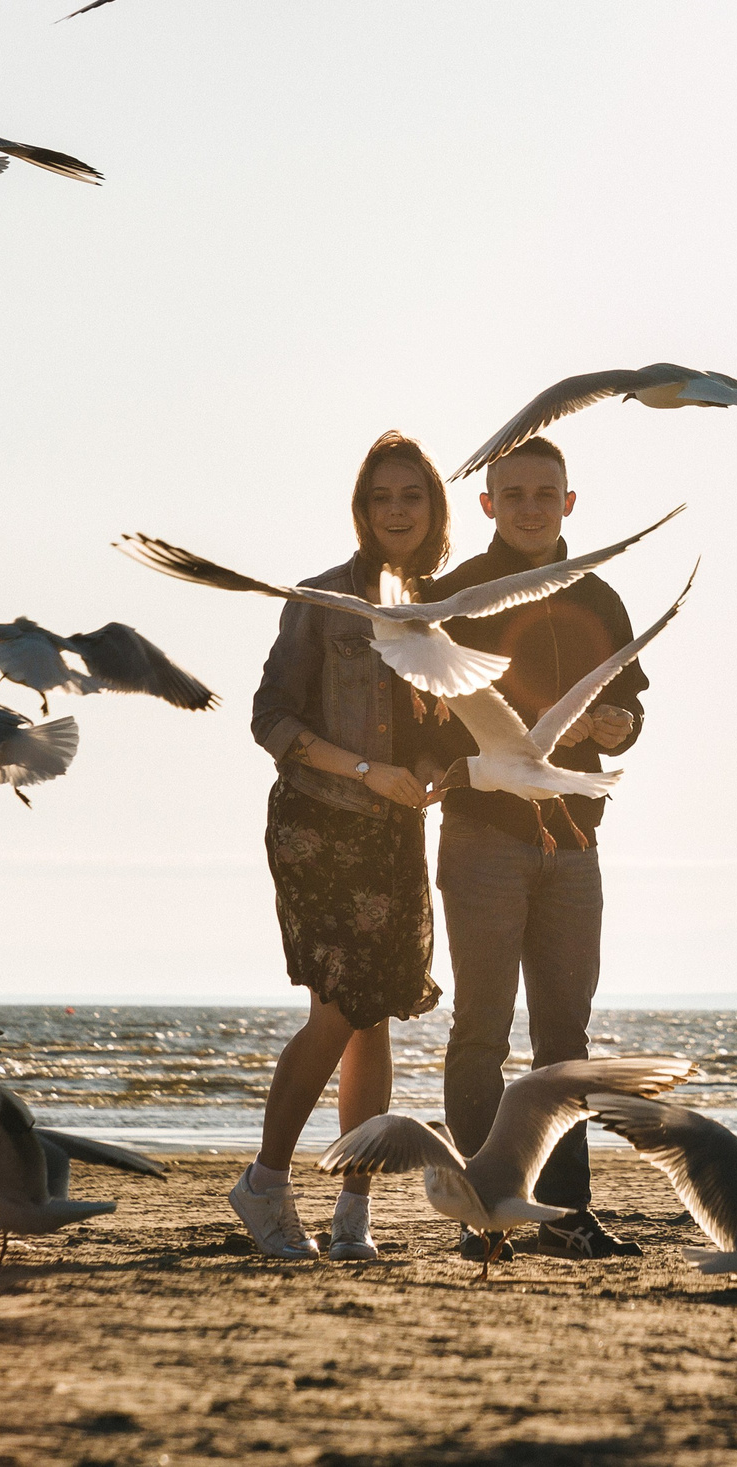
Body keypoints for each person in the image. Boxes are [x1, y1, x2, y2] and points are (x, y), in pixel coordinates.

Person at [420, 435, 648, 1264]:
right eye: (511, 493)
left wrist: (620, 724)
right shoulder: (455, 595)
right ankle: (481, 1215)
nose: (527, 506)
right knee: (480, 1029)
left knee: (566, 1037)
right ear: (486, 504)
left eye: (543, 493)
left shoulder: (603, 595)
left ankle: (564, 1214)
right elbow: (426, 712)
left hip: (575, 843)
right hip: (484, 836)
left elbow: (630, 702)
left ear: (569, 503)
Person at [234, 431, 454, 1260]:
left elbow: (443, 723)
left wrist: (428, 768)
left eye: (411, 496)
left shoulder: (444, 607)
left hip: (397, 831)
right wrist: (365, 769)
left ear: (433, 507)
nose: (396, 511)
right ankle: (263, 1181)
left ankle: (352, 1214)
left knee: (375, 1018)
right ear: (361, 512)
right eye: (380, 498)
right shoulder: (322, 600)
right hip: (319, 824)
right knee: (337, 1008)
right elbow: (270, 718)